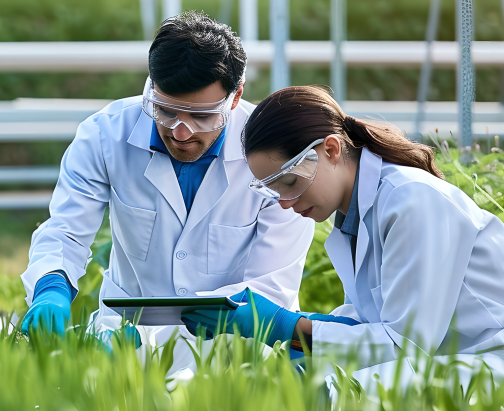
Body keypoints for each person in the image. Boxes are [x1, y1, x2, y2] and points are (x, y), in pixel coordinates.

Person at [183, 85, 504, 386]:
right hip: (442, 359)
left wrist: (284, 326)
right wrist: (304, 333)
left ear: (330, 150)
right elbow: (373, 322)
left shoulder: (411, 199)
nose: (284, 203)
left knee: (342, 393)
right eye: (273, 190)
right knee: (285, 382)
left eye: (290, 182)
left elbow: (404, 346)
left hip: (502, 364)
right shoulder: (354, 216)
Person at [19, 12, 314, 369]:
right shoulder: (105, 135)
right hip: (124, 341)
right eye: (165, 111)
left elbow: (271, 283)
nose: (181, 132)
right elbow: (66, 230)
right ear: (151, 86)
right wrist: (51, 286)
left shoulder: (273, 156)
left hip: (233, 353)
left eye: (202, 116)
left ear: (235, 97)